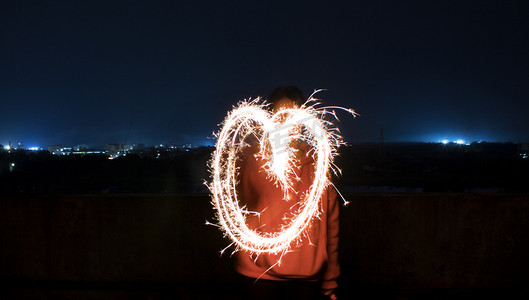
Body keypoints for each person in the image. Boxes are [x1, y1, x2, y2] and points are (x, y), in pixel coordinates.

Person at [234, 86, 340, 300]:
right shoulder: (252, 161)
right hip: (258, 275)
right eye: (280, 117)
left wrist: (330, 277)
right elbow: (239, 205)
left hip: (306, 277)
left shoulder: (319, 167)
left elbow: (331, 225)